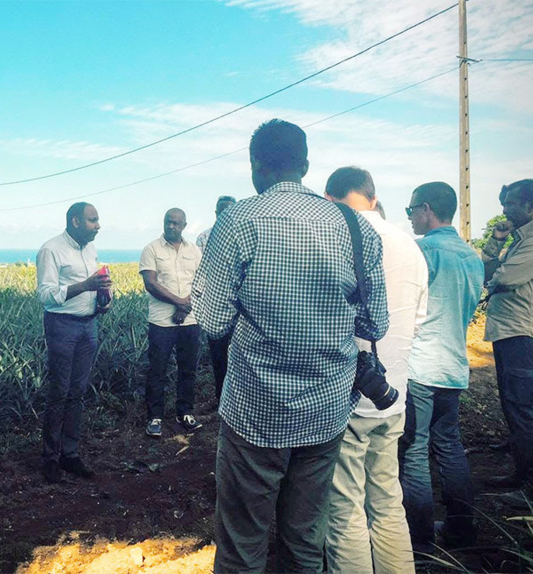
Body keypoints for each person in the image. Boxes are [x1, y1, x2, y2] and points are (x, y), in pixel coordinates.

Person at [192, 120, 388, 572]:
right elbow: (375, 322)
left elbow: (216, 321)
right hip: (326, 410)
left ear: (255, 167)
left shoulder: (237, 220)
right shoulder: (355, 227)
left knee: (243, 543)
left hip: (255, 411)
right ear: (304, 165)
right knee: (304, 539)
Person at [323, 168, 427, 574]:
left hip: (346, 399)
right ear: (372, 196)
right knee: (387, 501)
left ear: (330, 200)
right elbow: (419, 320)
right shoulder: (410, 245)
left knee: (345, 508)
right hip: (393, 394)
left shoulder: (336, 239)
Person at [399, 182, 484, 553]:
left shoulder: (421, 253)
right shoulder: (472, 256)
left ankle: (419, 537)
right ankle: (462, 529)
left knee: (415, 450)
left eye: (411, 210)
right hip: (453, 365)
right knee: (449, 445)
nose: (410, 218)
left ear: (426, 209)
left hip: (420, 366)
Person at [481, 180, 533, 505]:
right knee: (517, 406)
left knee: (524, 408)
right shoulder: (522, 239)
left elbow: (501, 278)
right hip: (512, 330)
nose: (503, 209)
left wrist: (494, 269)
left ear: (530, 205)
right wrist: (496, 244)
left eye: (510, 203)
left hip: (523, 332)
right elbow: (489, 273)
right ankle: (525, 472)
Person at [36, 202, 112, 483]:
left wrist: (103, 299)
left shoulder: (89, 249)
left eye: (98, 219)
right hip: (62, 326)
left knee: (78, 392)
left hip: (88, 324)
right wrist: (86, 286)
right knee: (59, 392)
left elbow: (95, 283)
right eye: (93, 220)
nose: (98, 225)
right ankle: (50, 459)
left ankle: (70, 454)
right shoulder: (51, 249)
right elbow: (45, 295)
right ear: (75, 221)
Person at [140, 208, 203, 438]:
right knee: (157, 370)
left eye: (176, 223)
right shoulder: (152, 249)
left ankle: (184, 412)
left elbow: (201, 280)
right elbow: (151, 284)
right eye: (168, 222)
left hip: (190, 320)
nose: (171, 226)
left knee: (188, 369)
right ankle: (154, 417)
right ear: (164, 222)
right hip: (161, 322)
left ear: (184, 225)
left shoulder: (194, 250)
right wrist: (179, 303)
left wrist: (185, 307)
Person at [196, 195, 237, 405]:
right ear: (216, 213)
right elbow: (200, 274)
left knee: (241, 355)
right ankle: (221, 397)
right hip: (216, 305)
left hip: (240, 308)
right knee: (218, 354)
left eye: (230, 210)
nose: (226, 215)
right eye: (222, 211)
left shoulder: (243, 234)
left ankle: (239, 398)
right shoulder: (204, 238)